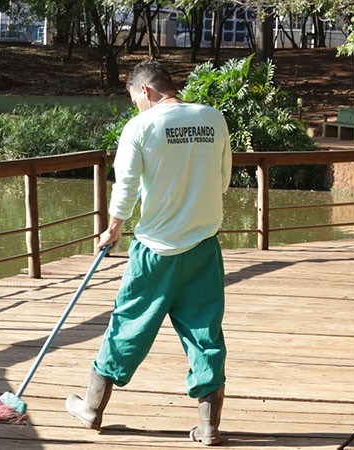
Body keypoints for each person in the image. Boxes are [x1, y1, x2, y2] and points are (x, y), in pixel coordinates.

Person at [65, 60, 232, 446]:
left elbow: (125, 186)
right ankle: (209, 428)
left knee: (128, 326)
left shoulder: (140, 126)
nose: (136, 107)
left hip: (155, 251)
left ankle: (91, 408)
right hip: (204, 248)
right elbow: (222, 181)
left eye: (134, 100)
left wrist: (113, 228)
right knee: (205, 333)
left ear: (145, 91)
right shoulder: (213, 118)